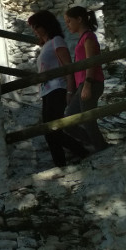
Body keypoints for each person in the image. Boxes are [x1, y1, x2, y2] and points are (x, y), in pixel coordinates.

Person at [28, 10, 88, 167]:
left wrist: (70, 90)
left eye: (36, 26)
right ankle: (62, 166)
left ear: (45, 26)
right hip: (47, 91)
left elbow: (67, 67)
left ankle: (83, 153)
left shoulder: (57, 41)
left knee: (53, 130)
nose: (34, 30)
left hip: (58, 89)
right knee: (49, 132)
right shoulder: (47, 44)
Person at [64, 6, 109, 152]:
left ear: (79, 19)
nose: (67, 25)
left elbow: (92, 62)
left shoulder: (89, 37)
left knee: (88, 119)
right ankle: (100, 146)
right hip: (83, 85)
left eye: (69, 21)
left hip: (91, 82)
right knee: (69, 121)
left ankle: (102, 149)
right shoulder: (83, 38)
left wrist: (88, 85)